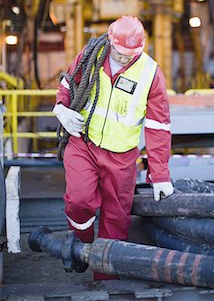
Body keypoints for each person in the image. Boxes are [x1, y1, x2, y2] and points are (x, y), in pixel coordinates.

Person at [53, 15, 174, 280]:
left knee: (116, 221)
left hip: (122, 157)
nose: (124, 59)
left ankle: (106, 280)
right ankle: (83, 244)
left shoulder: (150, 73)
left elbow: (158, 127)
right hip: (84, 144)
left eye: (131, 55)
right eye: (119, 54)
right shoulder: (91, 54)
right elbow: (68, 83)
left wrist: (160, 174)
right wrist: (61, 108)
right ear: (110, 41)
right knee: (79, 200)